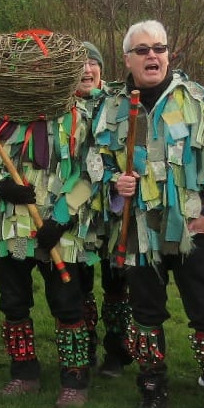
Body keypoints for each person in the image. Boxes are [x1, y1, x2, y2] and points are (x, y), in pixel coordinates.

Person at [91, 19, 204, 408]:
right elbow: (96, 163)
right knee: (145, 313)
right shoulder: (114, 106)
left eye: (159, 48)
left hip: (192, 228)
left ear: (168, 54)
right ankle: (152, 392)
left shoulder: (197, 100)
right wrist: (112, 182)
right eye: (142, 50)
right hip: (140, 229)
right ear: (127, 59)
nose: (152, 56)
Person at [0, 72, 100, 408]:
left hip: (59, 234)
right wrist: (3, 186)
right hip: (15, 234)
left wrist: (61, 218)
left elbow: (92, 172)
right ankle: (24, 373)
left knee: (66, 300)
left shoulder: (79, 119)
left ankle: (75, 378)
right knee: (14, 299)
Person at [73, 42, 131, 377]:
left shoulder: (118, 101)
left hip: (112, 207)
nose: (87, 69)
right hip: (78, 208)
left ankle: (117, 349)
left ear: (101, 68)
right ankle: (85, 344)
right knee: (80, 282)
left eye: (92, 63)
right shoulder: (61, 105)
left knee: (116, 282)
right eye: (80, 64)